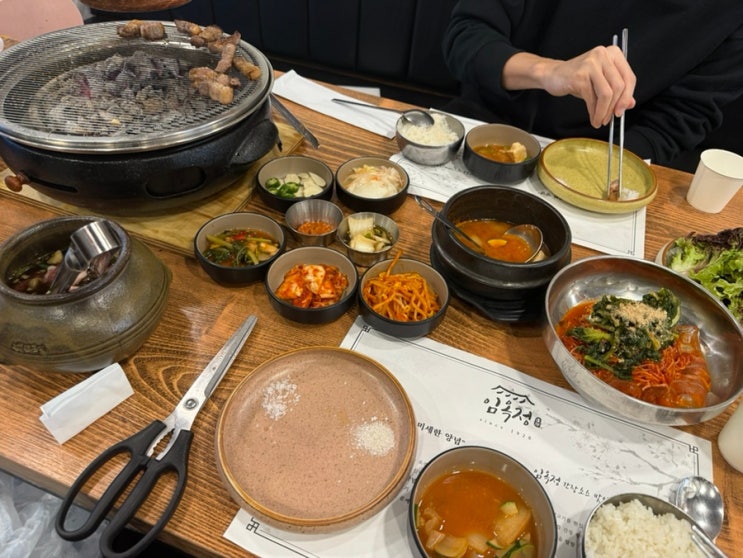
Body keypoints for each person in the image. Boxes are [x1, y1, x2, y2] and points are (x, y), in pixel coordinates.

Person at [442, 0, 743, 169]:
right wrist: (550, 71)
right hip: (485, 126)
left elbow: (682, 119)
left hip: (603, 162)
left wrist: (594, 170)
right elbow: (465, 36)